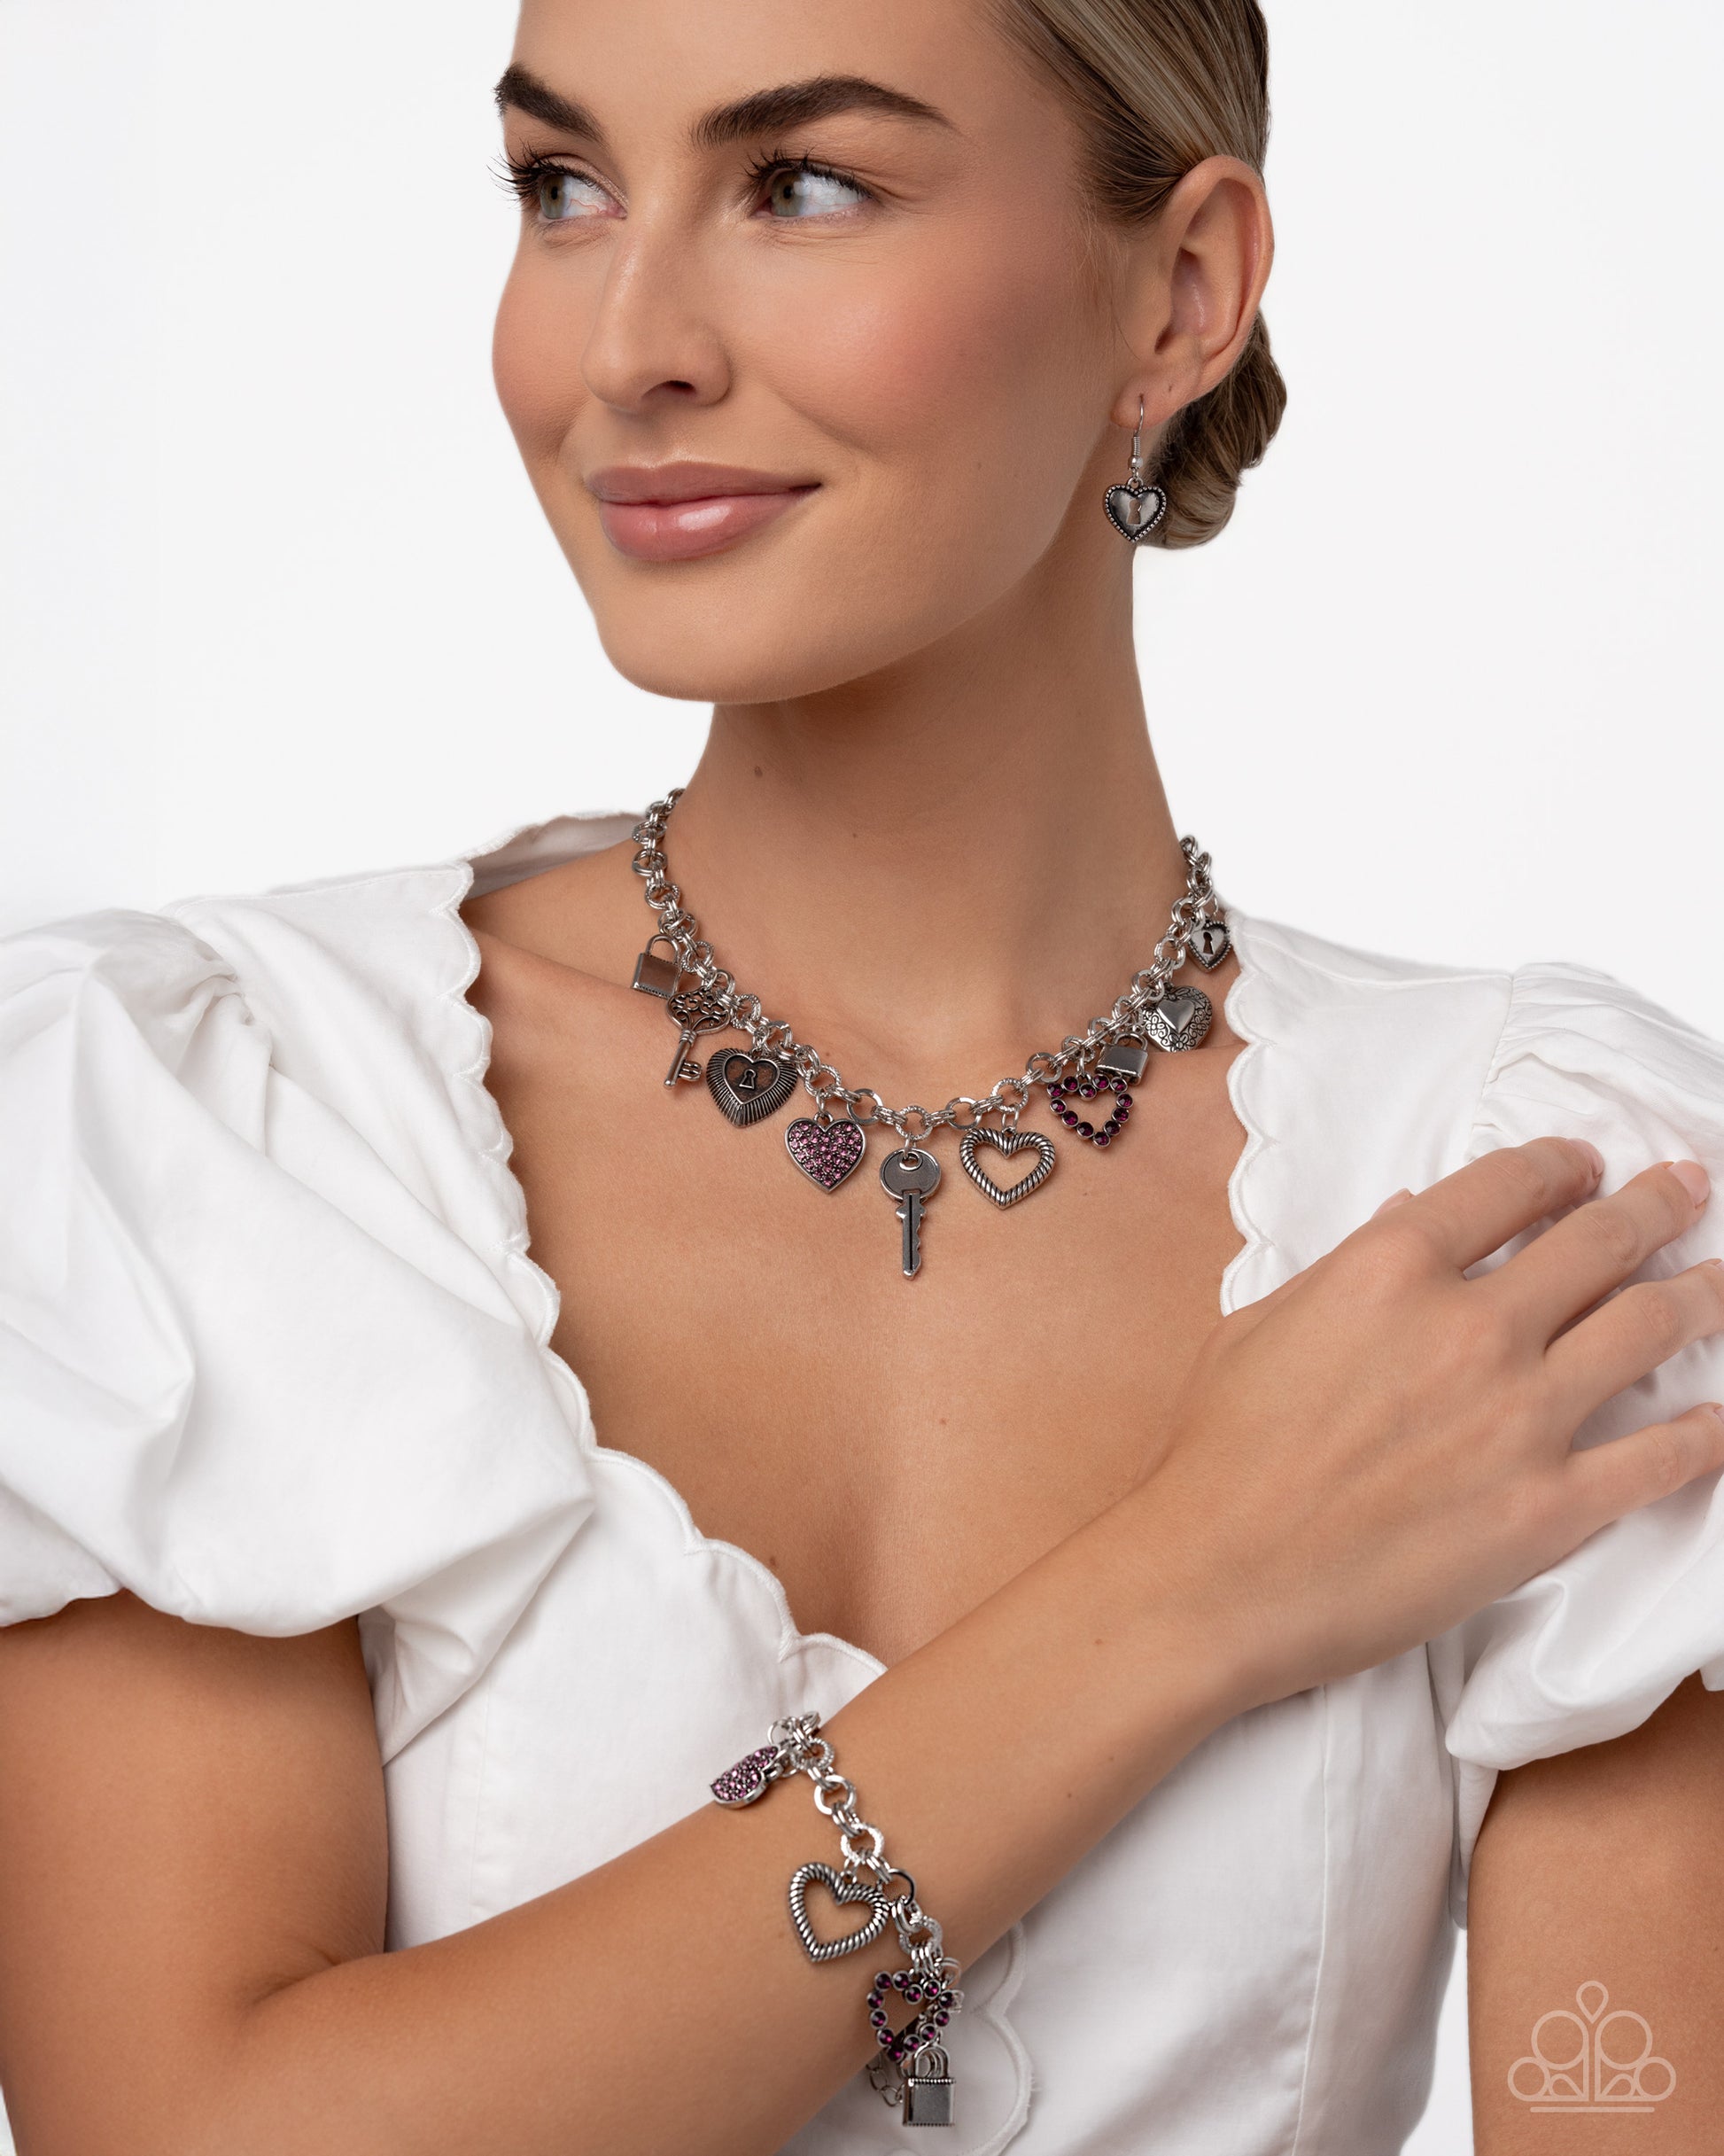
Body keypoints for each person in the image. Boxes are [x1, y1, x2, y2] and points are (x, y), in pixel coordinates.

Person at [3, 3, 1723, 2151]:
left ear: (1181, 289)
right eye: (563, 187)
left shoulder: (1525, 1204)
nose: (623, 345)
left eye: (802, 183)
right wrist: (1188, 1589)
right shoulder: (223, 1128)